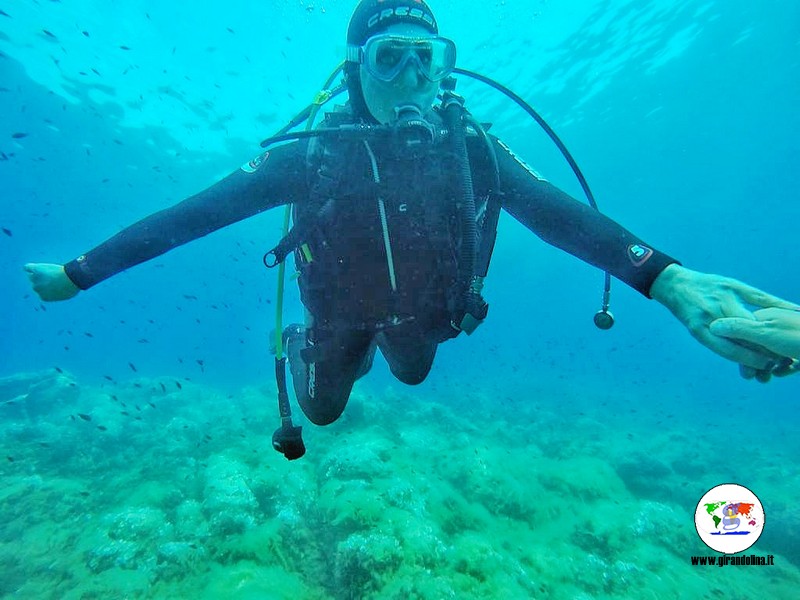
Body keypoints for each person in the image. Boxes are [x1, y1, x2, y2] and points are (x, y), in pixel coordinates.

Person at [24, 0, 798, 430]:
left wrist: (669, 281)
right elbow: (189, 216)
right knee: (323, 413)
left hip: (428, 314)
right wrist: (79, 273)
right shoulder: (311, 155)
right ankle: (305, 349)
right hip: (336, 314)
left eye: (427, 57)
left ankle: (387, 351)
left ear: (446, 66)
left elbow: (564, 218)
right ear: (356, 70)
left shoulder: (472, 149)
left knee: (417, 373)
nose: (411, 76)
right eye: (387, 58)